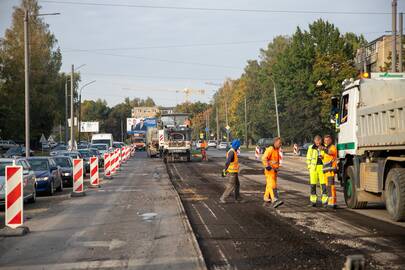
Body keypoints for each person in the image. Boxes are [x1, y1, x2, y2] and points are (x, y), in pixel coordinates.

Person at [261, 137, 283, 208]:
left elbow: (275, 160)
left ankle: (266, 197)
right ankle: (275, 199)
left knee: (269, 185)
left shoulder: (276, 150)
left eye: (281, 143)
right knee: (272, 185)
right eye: (279, 143)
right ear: (275, 142)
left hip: (274, 170)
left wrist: (277, 168)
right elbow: (264, 158)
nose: (280, 144)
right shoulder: (270, 149)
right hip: (269, 171)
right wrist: (267, 166)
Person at [306, 135, 328, 207]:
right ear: (314, 141)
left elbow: (327, 156)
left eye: (319, 142)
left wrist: (323, 156)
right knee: (313, 185)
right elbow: (308, 157)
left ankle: (324, 201)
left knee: (323, 184)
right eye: (317, 142)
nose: (318, 143)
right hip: (313, 168)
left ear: (321, 141)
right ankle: (313, 201)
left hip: (322, 167)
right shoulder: (311, 148)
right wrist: (309, 167)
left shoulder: (324, 147)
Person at [220, 139, 243, 203]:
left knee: (237, 184)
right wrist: (225, 169)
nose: (239, 147)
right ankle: (223, 197)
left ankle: (237, 198)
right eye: (238, 146)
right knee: (231, 185)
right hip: (232, 172)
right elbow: (228, 162)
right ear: (236, 145)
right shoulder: (232, 152)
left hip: (234, 172)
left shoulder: (233, 151)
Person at [321, 135, 338, 208]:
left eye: (328, 140)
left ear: (331, 140)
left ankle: (333, 202)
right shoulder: (326, 148)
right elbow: (325, 157)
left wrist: (323, 149)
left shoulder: (332, 147)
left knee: (331, 186)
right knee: (328, 186)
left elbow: (330, 152)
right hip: (326, 170)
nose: (326, 142)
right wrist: (321, 157)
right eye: (325, 140)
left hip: (330, 170)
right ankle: (330, 201)